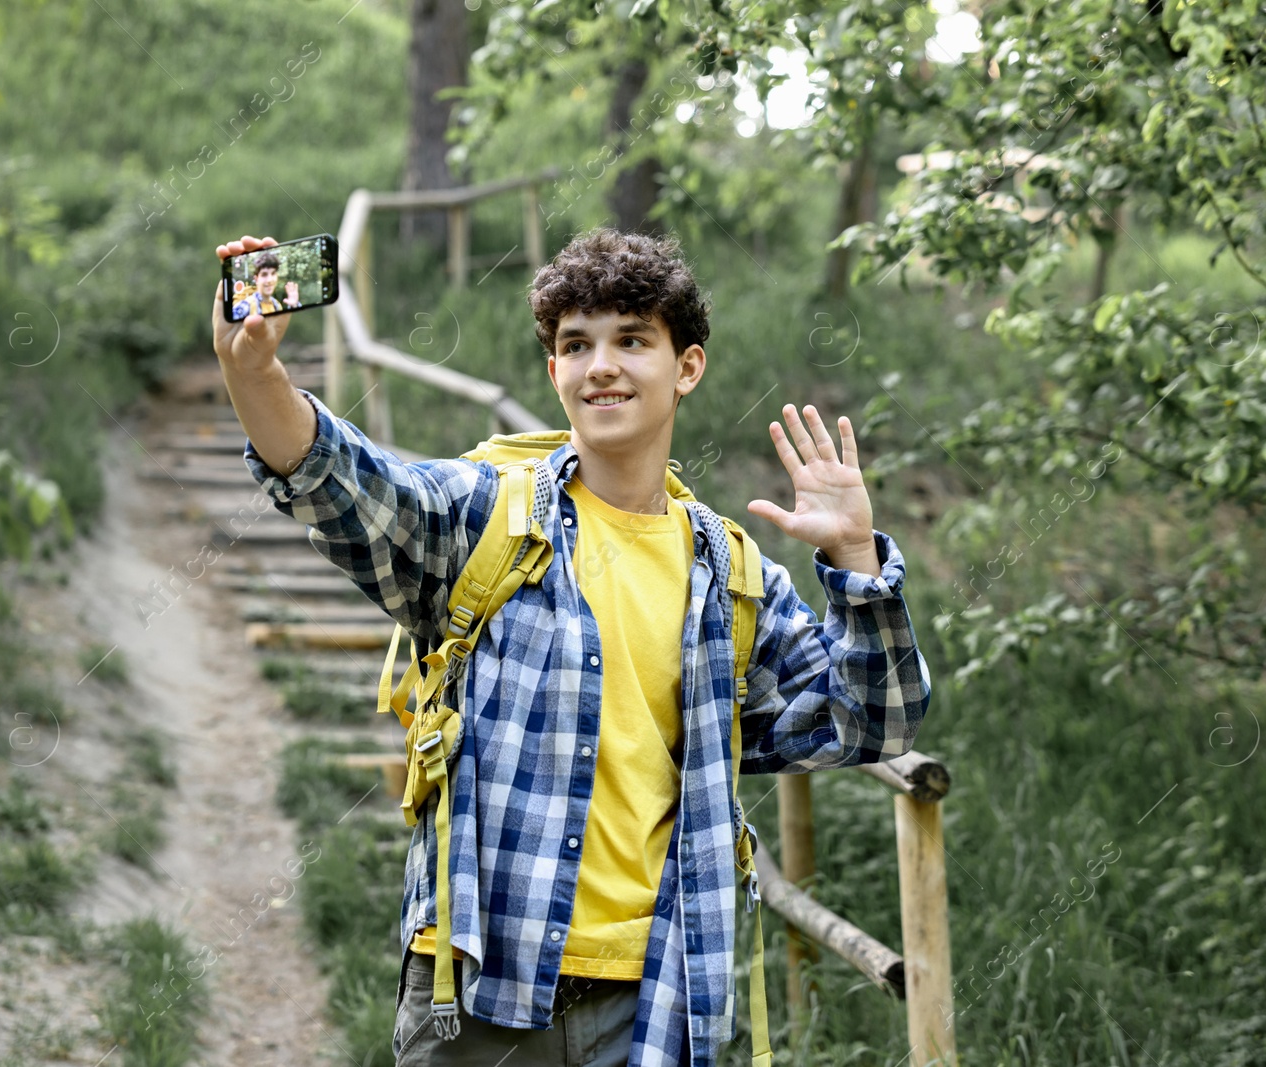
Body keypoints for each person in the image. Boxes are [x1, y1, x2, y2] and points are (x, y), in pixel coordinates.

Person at [210, 228, 932, 1067]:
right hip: (482, 988)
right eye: (575, 345)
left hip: (657, 1002)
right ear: (553, 371)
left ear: (686, 367)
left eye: (633, 340)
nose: (602, 366)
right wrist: (253, 373)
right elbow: (344, 482)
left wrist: (854, 557)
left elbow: (870, 722)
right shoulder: (484, 517)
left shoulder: (731, 576)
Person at [231, 250, 300, 318]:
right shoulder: (246, 306)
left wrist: (294, 306)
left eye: (273, 273)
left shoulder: (277, 305)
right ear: (256, 279)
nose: (269, 280)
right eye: (264, 275)